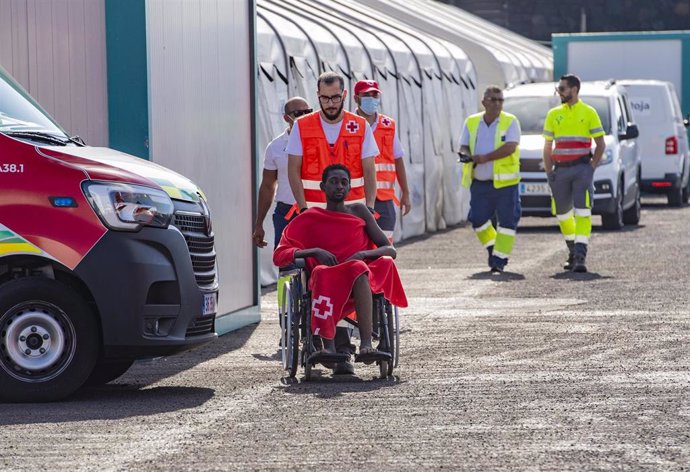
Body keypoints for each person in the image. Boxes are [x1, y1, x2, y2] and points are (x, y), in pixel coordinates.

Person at [286, 71, 379, 375]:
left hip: (349, 217)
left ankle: (344, 344)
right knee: (318, 275)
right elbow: (294, 171)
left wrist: (366, 210)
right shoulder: (303, 126)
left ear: (344, 95)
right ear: (318, 96)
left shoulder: (359, 125)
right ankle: (327, 342)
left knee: (350, 271)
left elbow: (369, 171)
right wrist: (302, 211)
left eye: (335, 97)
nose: (329, 103)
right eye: (324, 98)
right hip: (314, 217)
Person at [273, 164, 407, 365]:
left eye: (344, 182)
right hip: (326, 276)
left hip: (359, 274)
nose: (339, 186)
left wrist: (362, 253)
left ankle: (366, 345)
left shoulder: (359, 211)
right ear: (322, 186)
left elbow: (389, 250)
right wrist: (314, 251)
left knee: (358, 268)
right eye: (334, 182)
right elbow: (280, 254)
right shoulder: (310, 218)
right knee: (321, 271)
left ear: (350, 187)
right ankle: (328, 347)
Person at [543, 74, 606, 273]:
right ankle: (572, 249)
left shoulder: (589, 112)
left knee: (583, 211)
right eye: (558, 89)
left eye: (562, 89)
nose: (559, 92)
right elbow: (547, 146)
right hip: (559, 171)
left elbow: (600, 143)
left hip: (581, 170)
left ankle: (580, 255)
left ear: (574, 90)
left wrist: (591, 167)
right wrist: (549, 171)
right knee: (562, 214)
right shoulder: (553, 114)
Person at [459, 85, 522, 274]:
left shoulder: (510, 121)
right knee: (477, 219)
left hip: (506, 183)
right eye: (493, 99)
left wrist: (485, 157)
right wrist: (465, 154)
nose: (497, 103)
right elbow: (463, 145)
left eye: (500, 100)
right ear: (483, 102)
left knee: (507, 222)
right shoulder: (472, 122)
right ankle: (493, 249)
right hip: (480, 180)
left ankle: (499, 260)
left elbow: (510, 147)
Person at [353, 79, 411, 240]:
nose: (372, 98)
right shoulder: (348, 124)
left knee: (385, 245)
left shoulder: (388, 125)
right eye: (366, 95)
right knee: (358, 243)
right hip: (357, 196)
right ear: (356, 98)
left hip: (384, 197)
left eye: (375, 94)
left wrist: (405, 193)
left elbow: (398, 159)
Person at [252, 97, 312, 249]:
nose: (304, 116)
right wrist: (259, 223)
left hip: (315, 211)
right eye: (299, 113)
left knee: (316, 263)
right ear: (286, 117)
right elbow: (267, 186)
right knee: (287, 265)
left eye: (308, 112)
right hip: (287, 213)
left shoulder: (319, 141)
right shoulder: (276, 147)